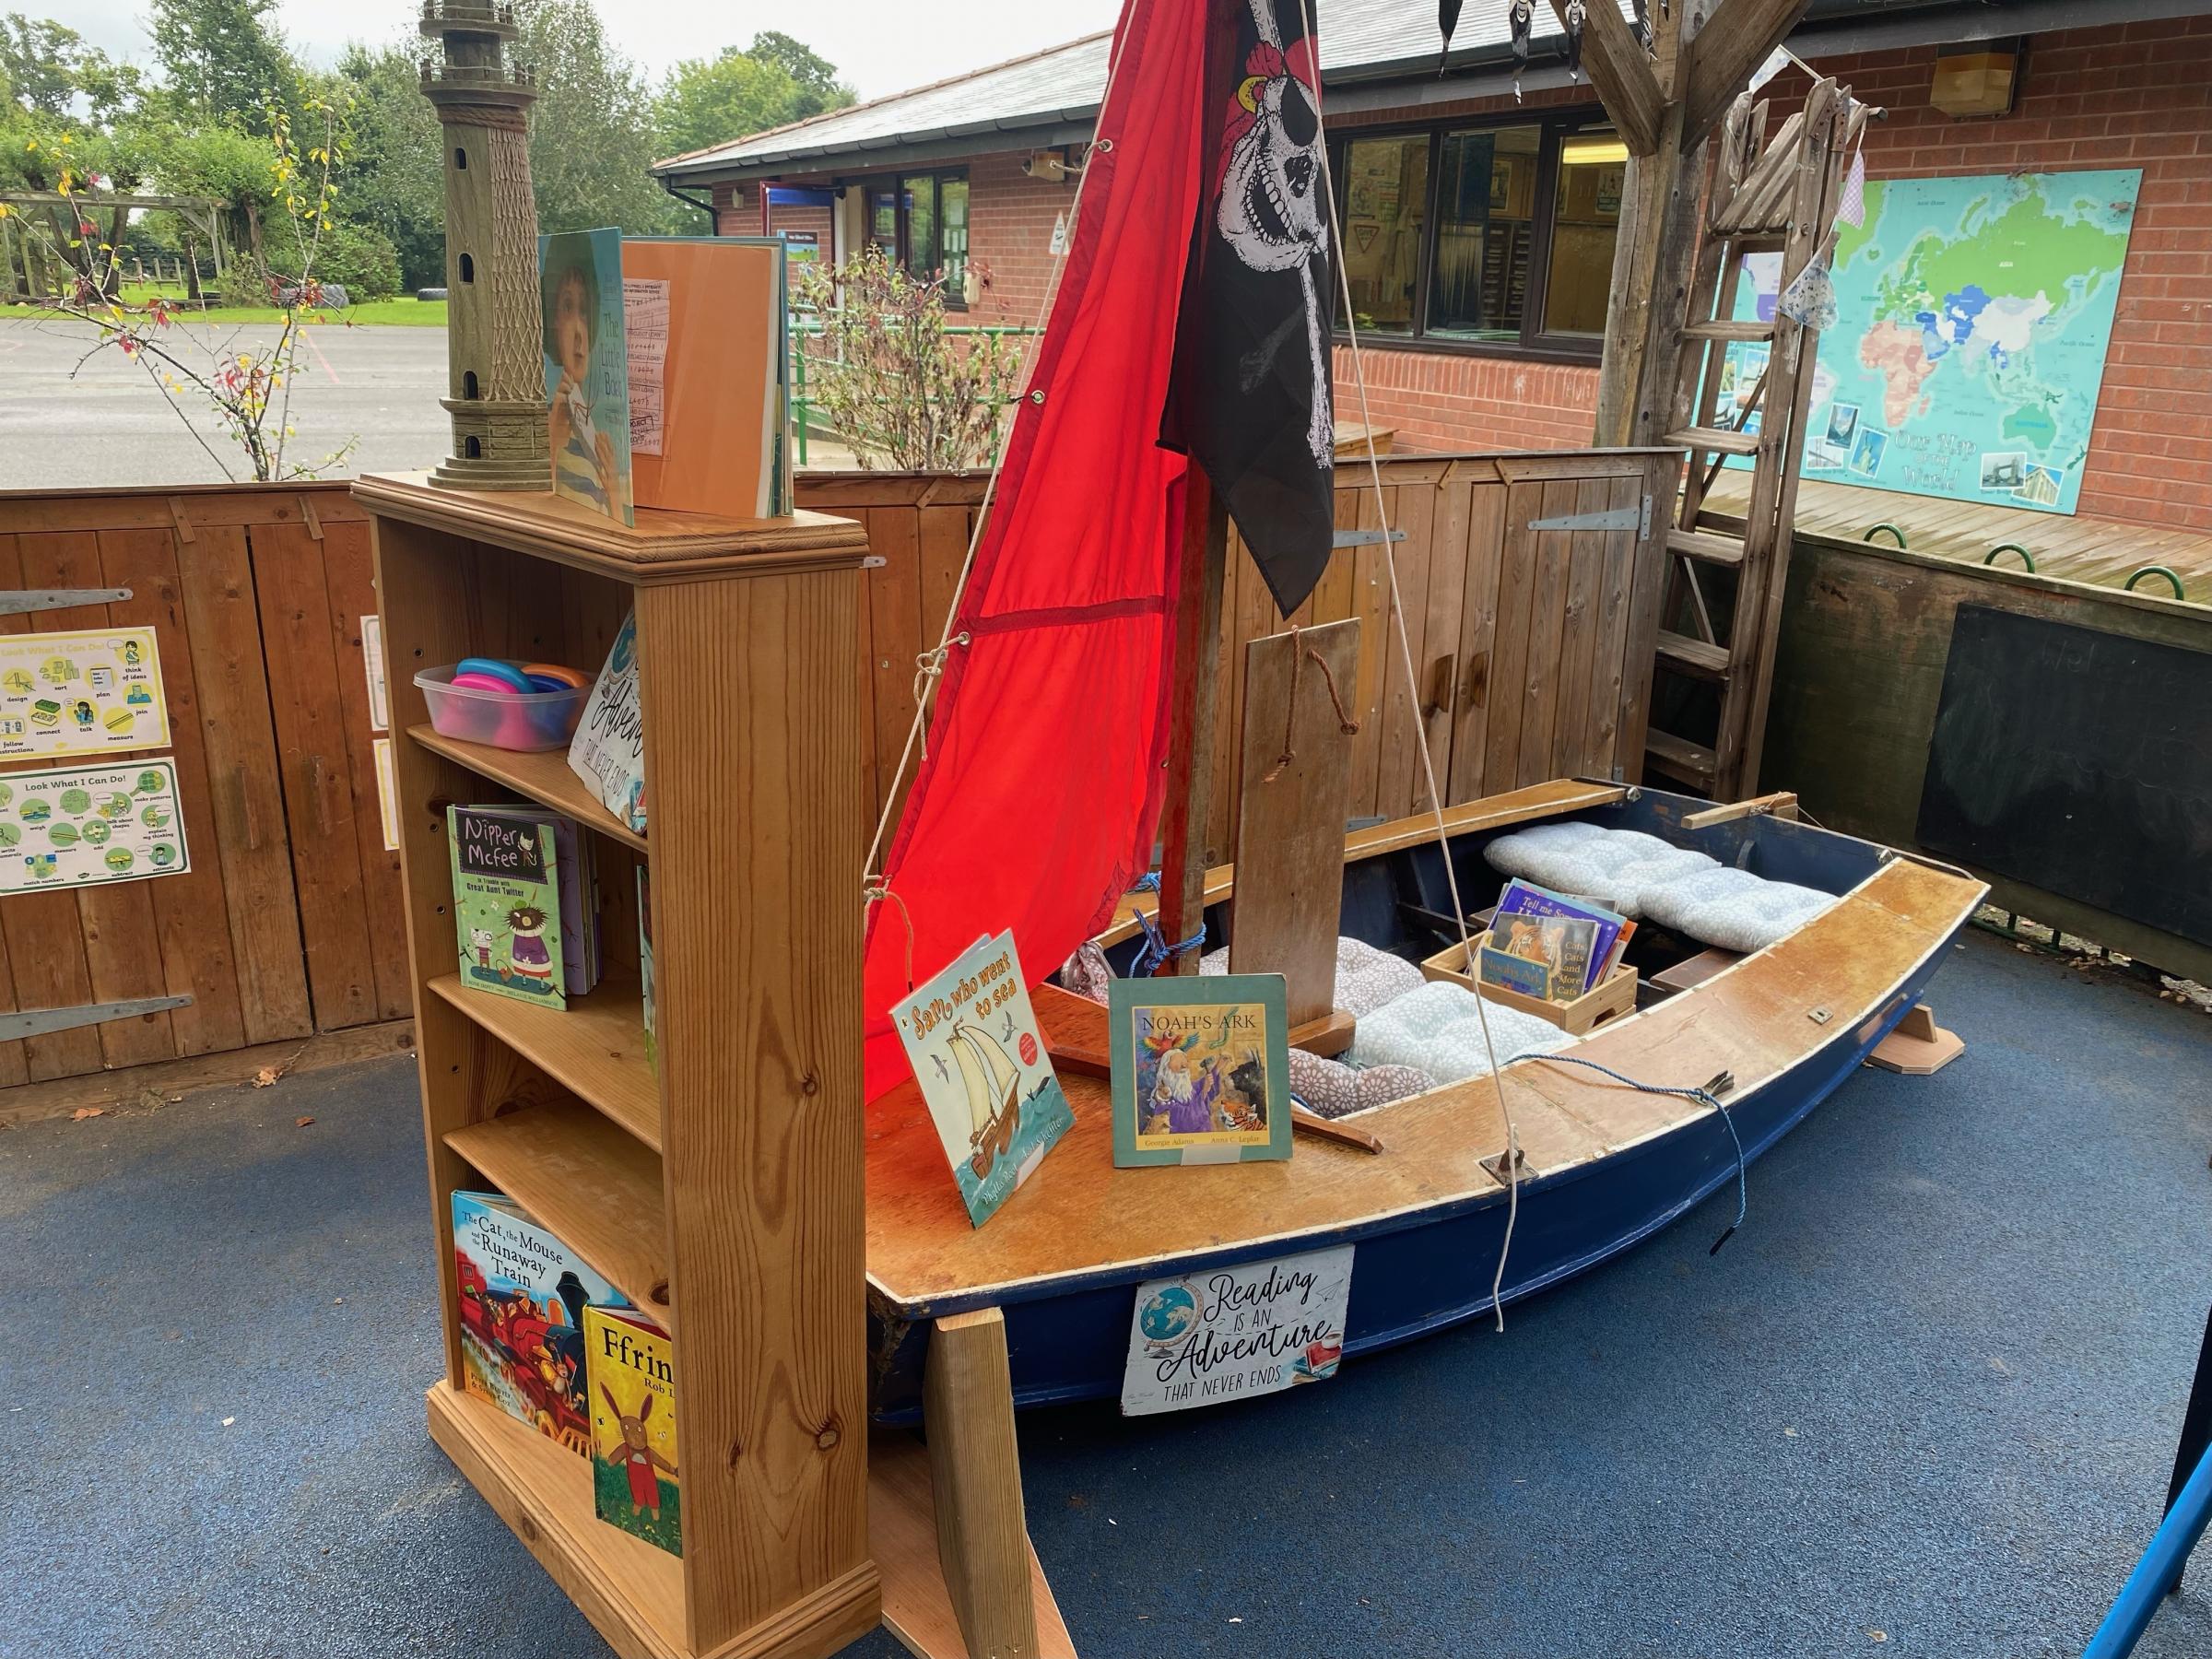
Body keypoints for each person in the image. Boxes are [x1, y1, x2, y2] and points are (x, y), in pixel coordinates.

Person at [542, 241, 619, 515]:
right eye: (567, 307)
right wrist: (552, 444)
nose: (579, 331)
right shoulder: (550, 422)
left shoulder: (595, 431)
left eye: (584, 311)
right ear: (552, 323)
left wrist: (613, 490)